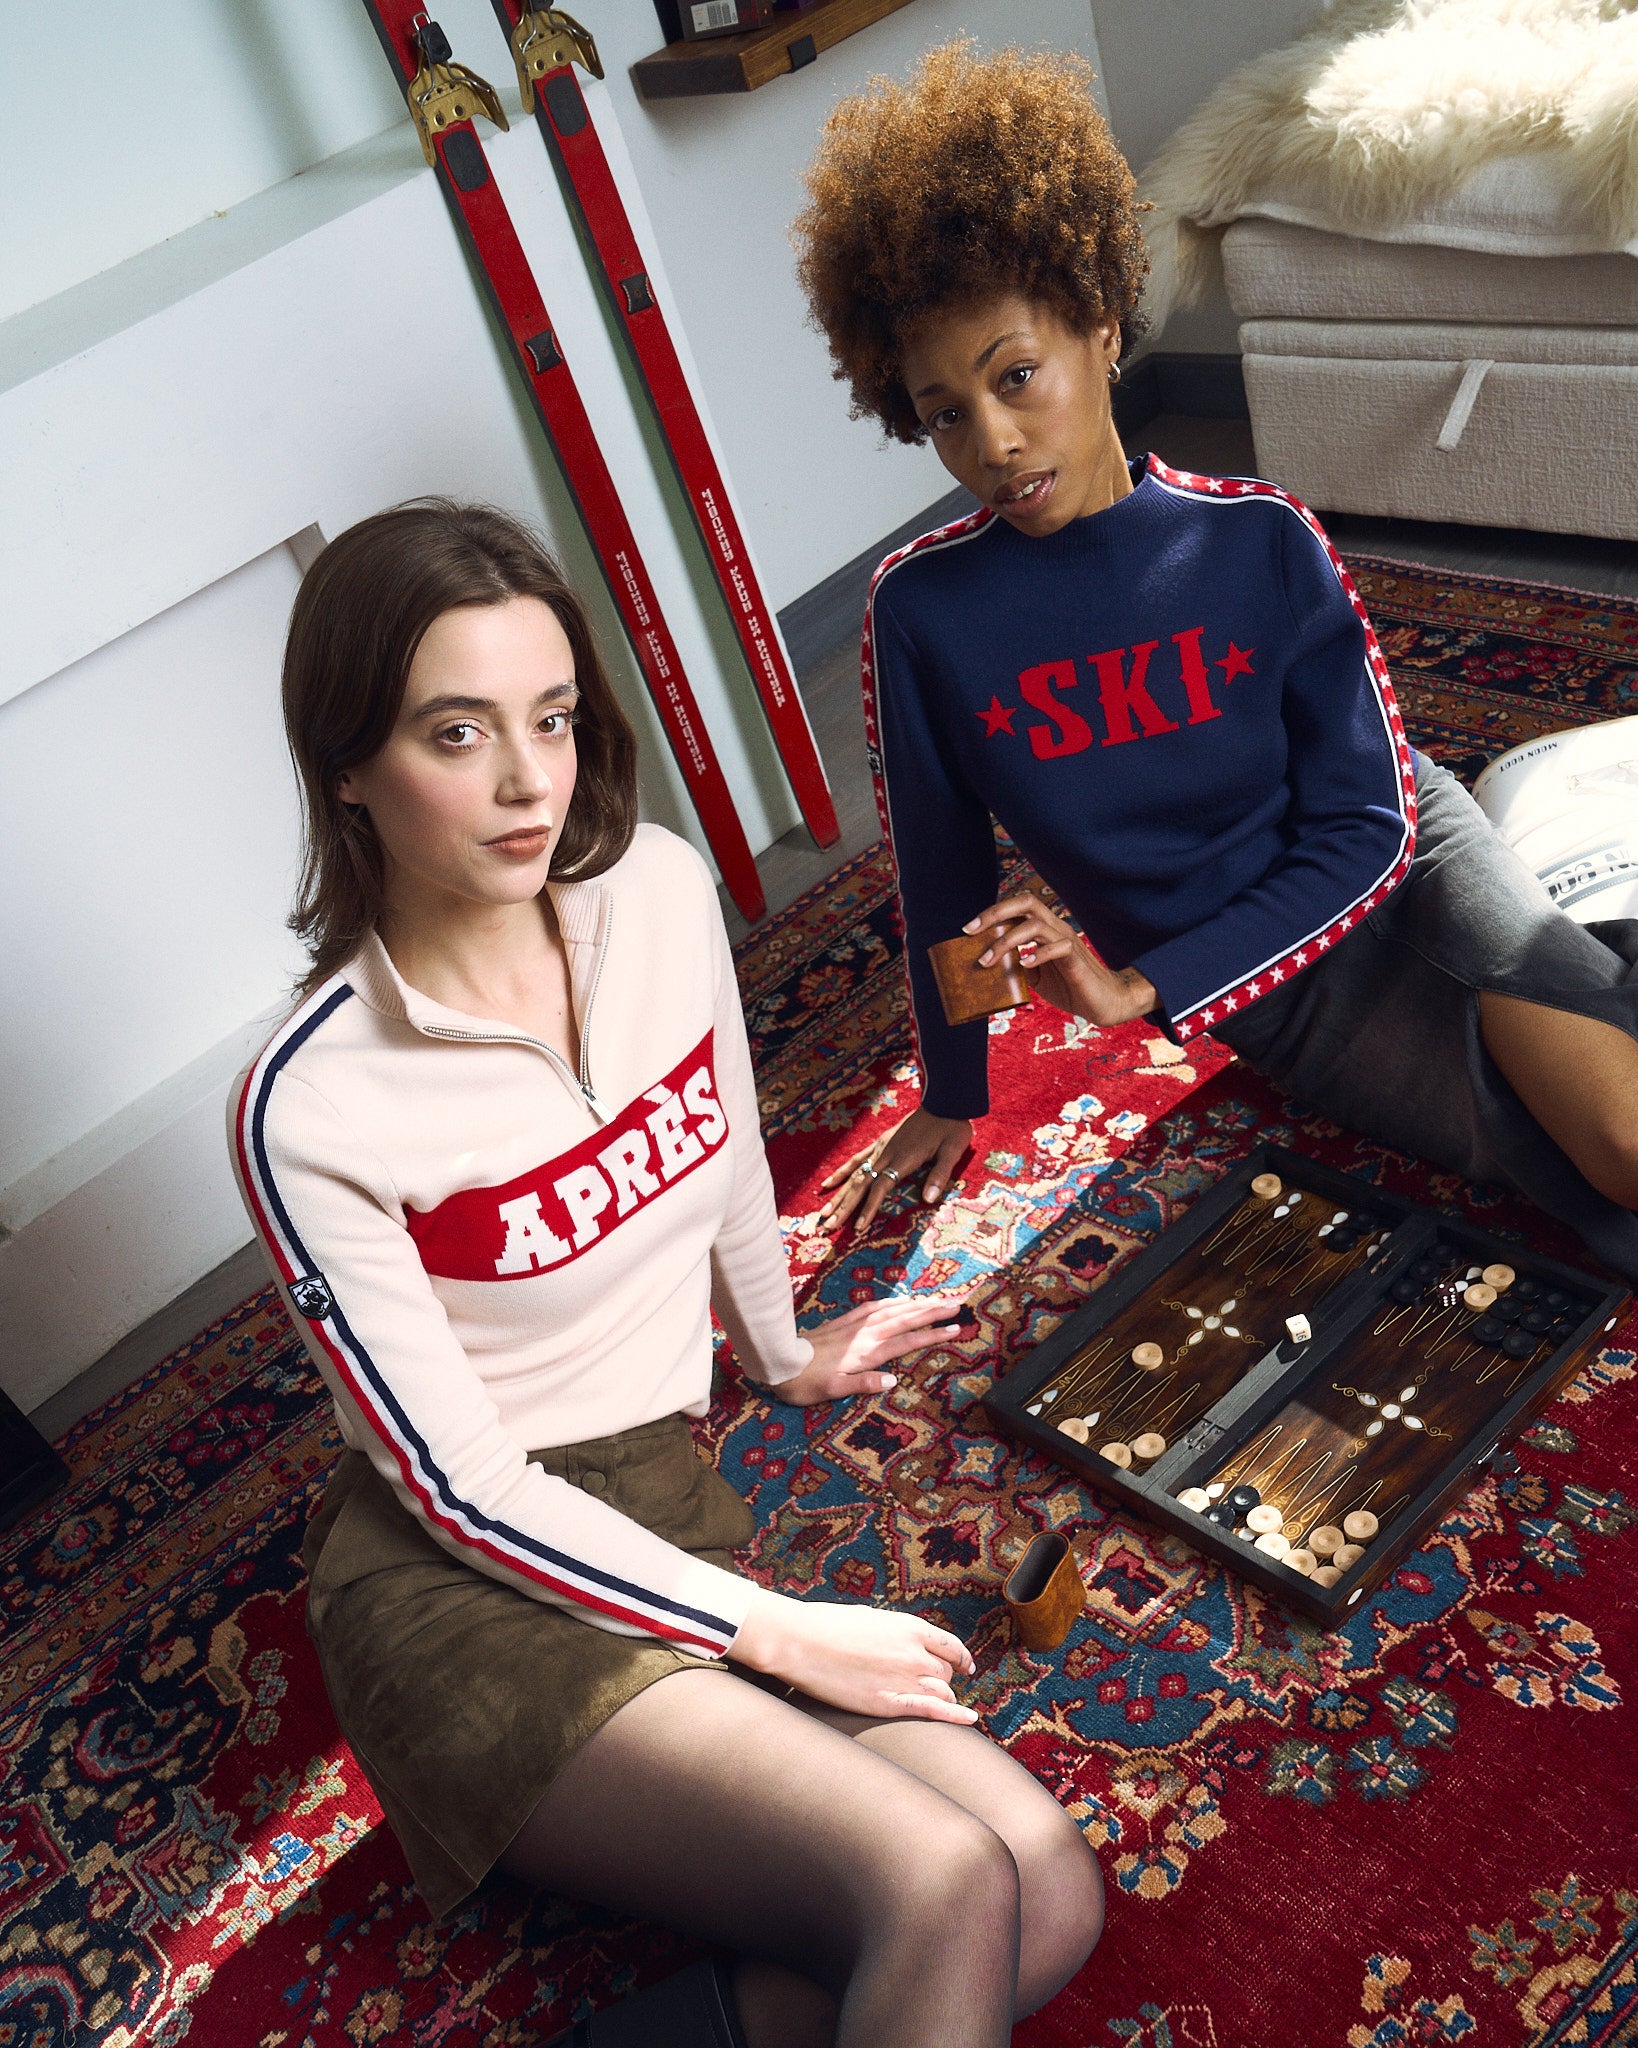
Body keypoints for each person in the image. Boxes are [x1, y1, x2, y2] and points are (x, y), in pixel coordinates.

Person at [228, 499, 1104, 2048]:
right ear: (347, 764)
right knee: (942, 1886)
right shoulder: (309, 1101)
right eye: (455, 732)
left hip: (652, 1497)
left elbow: (720, 1150)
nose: (525, 781)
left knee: (1042, 1874)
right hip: (459, 1579)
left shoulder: (652, 890)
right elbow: (454, 1487)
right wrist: (769, 1627)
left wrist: (781, 1354)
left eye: (551, 718)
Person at [793, 42, 1638, 1279]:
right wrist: (957, 1089)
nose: (993, 438)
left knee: (1621, 1141)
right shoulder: (922, 611)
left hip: (1408, 881)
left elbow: (1370, 828)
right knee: (1592, 1175)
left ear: (1099, 322)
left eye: (1016, 375)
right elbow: (941, 874)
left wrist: (1144, 986)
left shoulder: (1258, 539)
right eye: (943, 413)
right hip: (1283, 995)